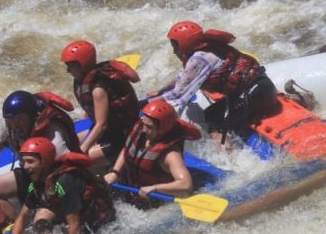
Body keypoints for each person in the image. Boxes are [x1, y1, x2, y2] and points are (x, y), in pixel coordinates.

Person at [149, 21, 278, 144]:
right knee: (211, 113)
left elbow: (179, 95)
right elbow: (183, 77)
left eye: (175, 45)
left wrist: (149, 104)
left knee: (216, 122)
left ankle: (227, 160)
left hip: (256, 93)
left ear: (185, 43)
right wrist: (161, 90)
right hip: (260, 88)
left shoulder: (199, 58)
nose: (174, 51)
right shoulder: (209, 48)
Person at [0, 89, 81, 201]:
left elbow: (66, 164)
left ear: (32, 115)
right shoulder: (12, 125)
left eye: (20, 119)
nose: (15, 125)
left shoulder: (51, 129)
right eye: (11, 121)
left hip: (55, 176)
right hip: (30, 171)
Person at [10, 138, 116, 234]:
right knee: (40, 222)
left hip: (98, 222)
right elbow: (23, 215)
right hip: (72, 216)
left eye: (30, 161)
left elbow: (74, 224)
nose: (25, 166)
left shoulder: (64, 181)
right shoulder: (37, 182)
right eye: (23, 162)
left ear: (44, 162)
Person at [104, 99, 199, 208]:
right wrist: (115, 172)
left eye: (149, 127)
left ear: (162, 129)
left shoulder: (170, 155)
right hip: (132, 192)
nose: (143, 129)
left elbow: (186, 185)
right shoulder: (143, 130)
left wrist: (154, 188)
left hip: (155, 204)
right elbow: (128, 149)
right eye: (144, 124)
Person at [60, 40, 141, 167]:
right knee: (69, 143)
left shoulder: (98, 88)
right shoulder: (85, 79)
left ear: (82, 64)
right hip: (108, 132)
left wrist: (83, 150)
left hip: (122, 138)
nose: (68, 70)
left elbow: (101, 125)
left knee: (76, 162)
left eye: (70, 66)